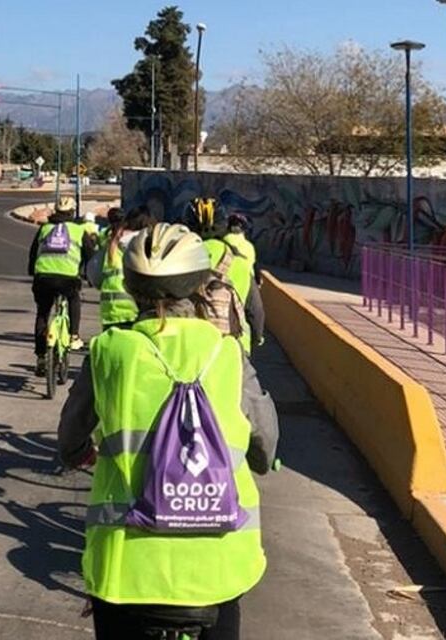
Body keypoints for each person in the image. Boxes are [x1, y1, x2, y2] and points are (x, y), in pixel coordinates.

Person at [59, 223, 279, 640]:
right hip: (218, 570)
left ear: (129, 284)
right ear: (199, 283)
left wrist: (77, 455)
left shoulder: (109, 351)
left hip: (126, 574)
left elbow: (70, 436)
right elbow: (265, 446)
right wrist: (257, 458)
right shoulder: (228, 353)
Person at [183, 198, 265, 352]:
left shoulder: (179, 257)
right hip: (232, 346)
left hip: (188, 347)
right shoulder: (239, 263)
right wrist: (254, 338)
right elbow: (255, 312)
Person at [27, 197, 92, 375]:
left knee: (43, 313)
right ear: (72, 212)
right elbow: (90, 255)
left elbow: (33, 254)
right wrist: (88, 275)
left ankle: (40, 356)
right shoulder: (79, 230)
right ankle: (74, 336)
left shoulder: (44, 228)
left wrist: (33, 273)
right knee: (74, 299)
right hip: (68, 279)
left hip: (43, 278)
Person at [88, 206, 156, 331]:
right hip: (134, 308)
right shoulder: (145, 242)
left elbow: (95, 276)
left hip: (109, 308)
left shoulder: (112, 243)